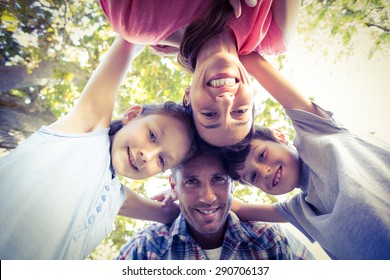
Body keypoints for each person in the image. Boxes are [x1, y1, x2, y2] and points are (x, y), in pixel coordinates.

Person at [0, 37, 197, 259]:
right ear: (132, 116)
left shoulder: (116, 198)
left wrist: (181, 190)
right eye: (151, 135)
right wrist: (184, 43)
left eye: (162, 161)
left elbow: (173, 214)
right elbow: (129, 39)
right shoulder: (87, 132)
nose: (147, 155)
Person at [224, 52, 390, 259]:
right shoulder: (300, 211)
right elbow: (236, 207)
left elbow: (254, 63)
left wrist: (199, 54)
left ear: (280, 136)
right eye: (253, 177)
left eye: (261, 155)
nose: (264, 171)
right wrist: (177, 189)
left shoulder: (317, 134)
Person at [99, 0, 301, 147]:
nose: (225, 101)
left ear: (188, 97)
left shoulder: (135, 20)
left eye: (209, 114)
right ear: (252, 91)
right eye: (240, 111)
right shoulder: (275, 33)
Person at [117, 151, 314, 260]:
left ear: (232, 185)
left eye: (219, 179)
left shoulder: (271, 242)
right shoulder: (146, 249)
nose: (208, 197)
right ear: (173, 186)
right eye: (192, 182)